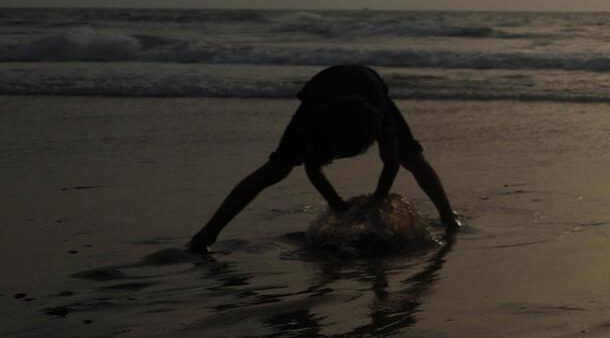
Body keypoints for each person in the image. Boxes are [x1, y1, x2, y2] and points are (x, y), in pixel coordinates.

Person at [188, 64, 458, 252]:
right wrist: (336, 203)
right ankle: (206, 234)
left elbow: (391, 162)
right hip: (319, 95)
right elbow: (313, 169)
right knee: (276, 169)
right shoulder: (312, 126)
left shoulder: (381, 120)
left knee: (411, 158)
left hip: (369, 86)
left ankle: (448, 218)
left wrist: (378, 198)